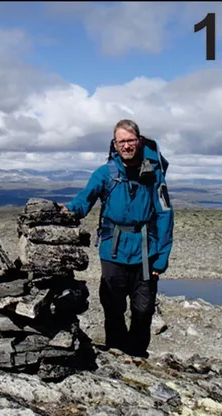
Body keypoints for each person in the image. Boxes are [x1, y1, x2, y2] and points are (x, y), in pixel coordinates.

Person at [62, 119, 173, 359]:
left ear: (139, 141)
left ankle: (137, 354)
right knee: (113, 306)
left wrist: (161, 258)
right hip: (112, 249)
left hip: (146, 251)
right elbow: (85, 199)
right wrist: (69, 210)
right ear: (114, 144)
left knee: (143, 310)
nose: (126, 145)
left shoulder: (154, 175)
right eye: (121, 141)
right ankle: (117, 353)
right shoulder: (104, 174)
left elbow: (165, 214)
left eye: (130, 140)